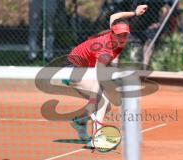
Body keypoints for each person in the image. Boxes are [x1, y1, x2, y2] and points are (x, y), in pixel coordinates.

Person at [62, 5, 148, 148]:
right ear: (112, 34)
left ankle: (80, 121)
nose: (123, 37)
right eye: (120, 35)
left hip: (86, 69)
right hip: (73, 70)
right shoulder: (104, 49)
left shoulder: (117, 38)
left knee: (105, 105)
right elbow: (98, 78)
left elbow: (113, 17)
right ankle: (96, 138)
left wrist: (134, 13)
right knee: (102, 99)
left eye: (125, 34)